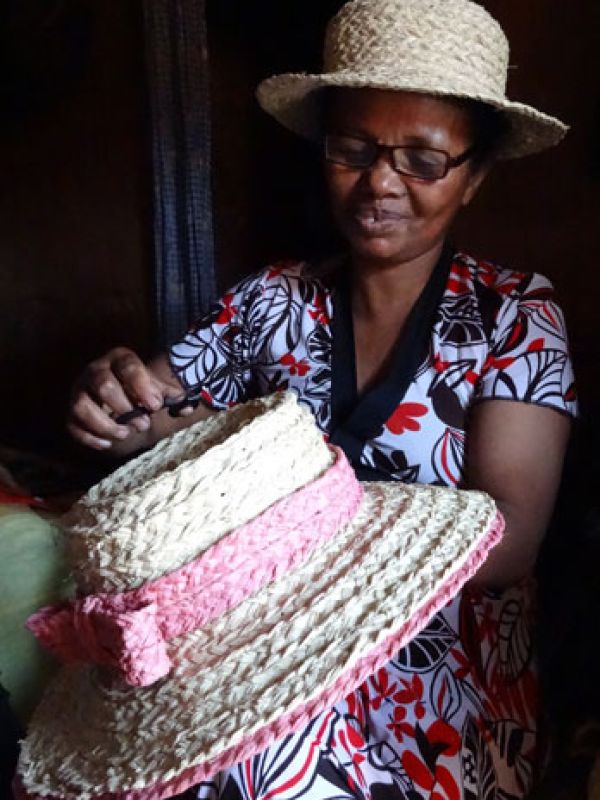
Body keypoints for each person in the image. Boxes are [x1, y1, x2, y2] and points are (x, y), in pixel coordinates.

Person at [67, 0, 576, 797]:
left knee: (263, 774)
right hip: (263, 648)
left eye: (423, 160)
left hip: (438, 676)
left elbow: (504, 542)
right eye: (353, 149)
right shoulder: (270, 301)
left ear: (473, 177)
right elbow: (154, 411)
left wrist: (260, 469)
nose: (379, 181)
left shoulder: (514, 315)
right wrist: (117, 407)